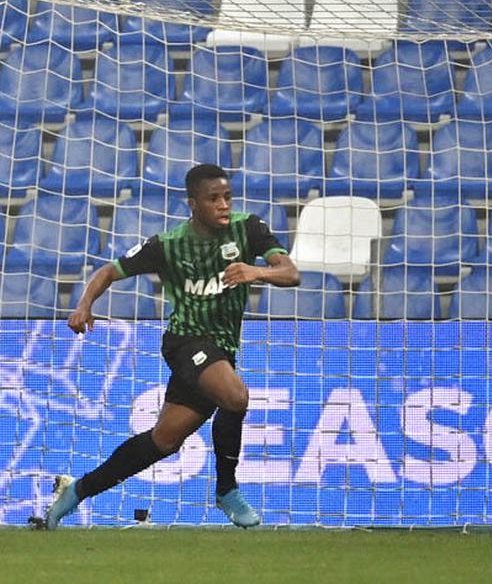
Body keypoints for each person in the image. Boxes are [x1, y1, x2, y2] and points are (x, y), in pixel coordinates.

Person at [43, 164, 301, 529]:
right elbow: (107, 272)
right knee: (236, 397)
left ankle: (76, 491)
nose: (224, 205)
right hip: (186, 341)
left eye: (227, 197)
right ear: (193, 203)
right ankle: (227, 490)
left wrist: (257, 271)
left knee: (164, 440)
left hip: (221, 350)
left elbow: (290, 272)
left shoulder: (249, 228)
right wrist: (84, 305)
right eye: (214, 199)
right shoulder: (167, 245)